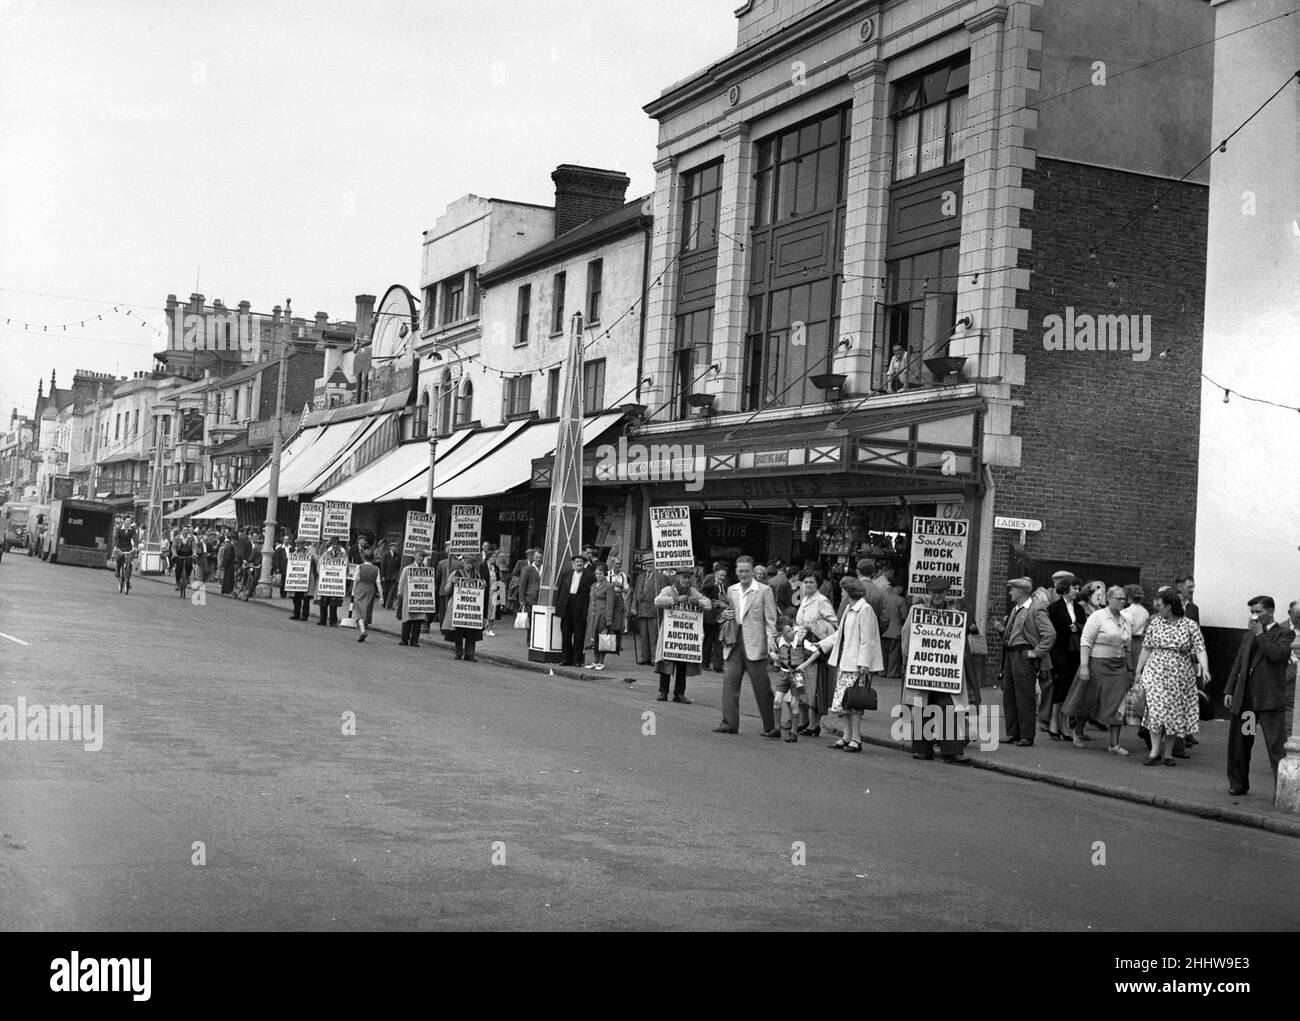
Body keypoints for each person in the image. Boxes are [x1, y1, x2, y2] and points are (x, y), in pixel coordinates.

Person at [1224, 596, 1295, 795]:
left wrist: (1260, 635)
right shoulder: (1248, 636)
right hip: (1248, 701)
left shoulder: (1285, 633)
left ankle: (1282, 790)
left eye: (1258, 611)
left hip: (1268, 700)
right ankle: (1238, 783)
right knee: (1243, 742)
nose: (1254, 616)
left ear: (1270, 611)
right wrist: (1230, 689)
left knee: (1275, 745)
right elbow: (1239, 663)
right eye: (1252, 612)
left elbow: (1276, 654)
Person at [1134, 587, 1209, 767]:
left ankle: (1168, 754)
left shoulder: (1190, 625)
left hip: (1179, 675)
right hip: (1155, 671)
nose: (1157, 608)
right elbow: (1146, 647)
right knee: (1155, 710)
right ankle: (1154, 751)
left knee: (1174, 714)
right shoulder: (1155, 623)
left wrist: (1205, 668)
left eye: (1160, 605)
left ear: (1170, 606)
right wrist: (1138, 671)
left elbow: (1200, 648)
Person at [900, 576, 970, 763]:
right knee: (921, 706)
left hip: (945, 671)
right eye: (933, 592)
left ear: (947, 593)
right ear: (927, 593)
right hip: (921, 668)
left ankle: (952, 751)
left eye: (941, 592)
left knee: (948, 707)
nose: (937, 596)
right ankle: (923, 749)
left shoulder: (955, 613)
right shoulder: (917, 611)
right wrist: (907, 660)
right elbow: (906, 635)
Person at [819, 575, 884, 753]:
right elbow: (839, 635)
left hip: (856, 664)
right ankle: (846, 736)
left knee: (854, 703)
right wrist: (822, 645)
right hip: (844, 661)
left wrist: (864, 664)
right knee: (844, 703)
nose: (841, 593)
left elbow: (867, 639)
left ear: (849, 591)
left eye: (842, 590)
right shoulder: (850, 609)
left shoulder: (865, 610)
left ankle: (856, 739)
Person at [716, 555, 779, 736]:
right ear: (736, 572)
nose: (743, 574)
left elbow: (770, 619)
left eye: (746, 571)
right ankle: (728, 723)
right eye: (740, 571)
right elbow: (726, 615)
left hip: (756, 642)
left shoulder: (764, 590)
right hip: (734, 641)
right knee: (729, 682)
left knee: (762, 687)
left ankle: (771, 726)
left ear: (753, 572)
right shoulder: (731, 590)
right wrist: (725, 615)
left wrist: (771, 641)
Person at [1064, 585, 1132, 753]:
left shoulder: (1126, 619)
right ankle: (1078, 731)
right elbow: (1086, 640)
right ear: (1108, 599)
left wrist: (1130, 669)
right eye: (1118, 598)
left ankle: (1114, 744)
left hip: (1118, 665)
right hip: (1098, 663)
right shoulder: (1098, 616)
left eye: (1124, 599)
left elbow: (1128, 647)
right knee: (1089, 699)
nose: (1122, 602)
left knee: (1118, 703)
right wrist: (1085, 666)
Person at [999, 576, 1056, 747]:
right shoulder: (1017, 609)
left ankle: (1027, 735)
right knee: (1009, 694)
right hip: (1010, 654)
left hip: (1023, 655)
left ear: (1021, 591)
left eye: (1012, 590)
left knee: (1024, 696)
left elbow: (1050, 634)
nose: (1010, 593)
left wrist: (1036, 652)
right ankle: (1013, 732)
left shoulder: (1035, 609)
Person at [653, 566, 711, 702]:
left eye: (688, 577)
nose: (686, 580)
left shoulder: (693, 592)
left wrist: (697, 601)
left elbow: (708, 604)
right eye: (684, 577)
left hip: (684, 635)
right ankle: (663, 691)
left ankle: (679, 693)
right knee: (666, 663)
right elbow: (657, 601)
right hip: (669, 633)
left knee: (682, 664)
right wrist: (677, 600)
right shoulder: (669, 590)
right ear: (678, 577)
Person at [794, 571, 839, 736]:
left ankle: (814, 725)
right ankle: (804, 721)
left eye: (811, 582)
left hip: (816, 649)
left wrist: (815, 627)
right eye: (805, 582)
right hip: (801, 647)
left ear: (817, 584)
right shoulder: (804, 599)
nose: (807, 585)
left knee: (815, 688)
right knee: (801, 686)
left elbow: (834, 626)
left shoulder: (822, 601)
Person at [1044, 576, 1084, 740]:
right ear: (1066, 588)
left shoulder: (1079, 609)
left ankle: (1063, 723)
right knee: (1059, 686)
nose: (1077, 591)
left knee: (1069, 688)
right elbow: (1049, 631)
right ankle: (1054, 722)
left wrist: (1077, 628)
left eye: (1077, 587)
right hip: (1058, 652)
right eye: (1074, 587)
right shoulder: (1053, 608)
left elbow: (1085, 629)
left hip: (1074, 653)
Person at [773, 609, 821, 742]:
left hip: (798, 675)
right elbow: (775, 654)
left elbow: (816, 652)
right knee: (777, 700)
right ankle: (776, 729)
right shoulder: (778, 641)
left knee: (795, 703)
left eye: (792, 629)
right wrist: (774, 657)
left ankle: (793, 733)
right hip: (784, 673)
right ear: (782, 633)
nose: (792, 632)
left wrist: (804, 665)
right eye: (788, 631)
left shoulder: (801, 641)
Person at [442, 551, 490, 661]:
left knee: (472, 632)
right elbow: (446, 590)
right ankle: (458, 652)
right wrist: (451, 583)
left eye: (470, 563)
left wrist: (483, 585)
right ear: (463, 563)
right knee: (458, 631)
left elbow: (481, 591)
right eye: (467, 563)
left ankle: (470, 654)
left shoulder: (477, 575)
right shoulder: (455, 574)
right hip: (458, 607)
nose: (469, 565)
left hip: (472, 609)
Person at [555, 553, 594, 667]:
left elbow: (591, 595)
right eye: (577, 562)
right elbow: (560, 591)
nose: (579, 563)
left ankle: (577, 659)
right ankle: (565, 659)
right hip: (567, 606)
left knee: (579, 635)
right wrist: (558, 607)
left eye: (581, 562)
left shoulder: (589, 576)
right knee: (566, 634)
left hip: (581, 607)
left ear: (584, 564)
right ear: (573, 563)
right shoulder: (566, 574)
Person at [583, 562, 618, 670]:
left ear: (605, 574)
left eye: (601, 573)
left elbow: (610, 603)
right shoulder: (593, 585)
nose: (598, 575)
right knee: (593, 637)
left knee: (602, 637)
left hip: (602, 615)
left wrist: (608, 618)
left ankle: (601, 662)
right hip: (593, 614)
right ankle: (595, 661)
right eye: (597, 573)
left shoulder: (608, 586)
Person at [632, 564, 669, 666]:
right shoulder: (641, 577)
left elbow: (665, 592)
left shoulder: (660, 577)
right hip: (642, 609)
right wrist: (633, 607)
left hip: (654, 609)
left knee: (653, 635)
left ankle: (654, 658)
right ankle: (645, 657)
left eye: (650, 563)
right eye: (646, 563)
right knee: (643, 635)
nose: (648, 566)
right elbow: (635, 593)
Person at [396, 549, 430, 647]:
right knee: (407, 620)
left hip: (421, 599)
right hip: (408, 597)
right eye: (419, 556)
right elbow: (401, 583)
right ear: (415, 556)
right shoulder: (407, 569)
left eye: (422, 557)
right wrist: (400, 595)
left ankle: (414, 640)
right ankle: (404, 639)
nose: (421, 558)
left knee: (418, 621)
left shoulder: (426, 570)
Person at [879, 579, 908, 680]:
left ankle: (882, 671)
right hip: (896, 631)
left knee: (884, 653)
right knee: (894, 654)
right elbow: (904, 616)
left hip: (883, 630)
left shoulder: (883, 598)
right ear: (899, 587)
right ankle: (891, 672)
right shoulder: (900, 600)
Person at [352, 551, 382, 643]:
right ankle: (364, 627)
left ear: (363, 558)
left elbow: (355, 580)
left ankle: (362, 630)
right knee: (367, 608)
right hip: (370, 589)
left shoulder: (359, 567)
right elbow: (378, 583)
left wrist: (353, 591)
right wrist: (381, 596)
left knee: (358, 609)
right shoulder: (376, 568)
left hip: (361, 588)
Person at [701, 567, 726, 672]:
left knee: (719, 642)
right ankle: (705, 664)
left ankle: (718, 665)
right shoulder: (710, 583)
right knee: (708, 641)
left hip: (720, 617)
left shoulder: (724, 586)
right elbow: (702, 590)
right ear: (715, 574)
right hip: (709, 617)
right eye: (721, 575)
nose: (723, 577)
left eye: (724, 576)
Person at [317, 536, 346, 627]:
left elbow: (347, 567)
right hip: (326, 582)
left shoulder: (343, 555)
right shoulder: (325, 554)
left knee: (334, 603)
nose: (335, 546)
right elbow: (319, 566)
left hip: (335, 582)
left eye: (337, 544)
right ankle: (323, 619)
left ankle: (333, 621)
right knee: (324, 601)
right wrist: (322, 574)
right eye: (333, 544)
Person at [1122, 584, 1150, 675]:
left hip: (1129, 642)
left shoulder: (1126, 611)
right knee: (1137, 668)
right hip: (1139, 643)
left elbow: (1131, 631)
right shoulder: (1145, 611)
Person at [289, 538, 315, 621]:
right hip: (297, 579)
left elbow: (317, 561)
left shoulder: (310, 552)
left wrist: (312, 556)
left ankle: (304, 615)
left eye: (299, 544)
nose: (297, 546)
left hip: (307, 579)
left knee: (306, 598)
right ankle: (296, 614)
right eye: (296, 544)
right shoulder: (294, 553)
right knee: (296, 598)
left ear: (304, 544)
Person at [112, 520, 137, 594]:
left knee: (129, 564)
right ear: (124, 522)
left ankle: (127, 580)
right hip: (120, 548)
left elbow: (135, 538)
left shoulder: (132, 530)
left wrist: (135, 547)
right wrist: (115, 547)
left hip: (129, 548)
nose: (128, 523)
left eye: (129, 522)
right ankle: (118, 571)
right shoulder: (119, 529)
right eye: (126, 521)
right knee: (119, 559)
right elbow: (115, 538)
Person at [172, 526, 195, 596]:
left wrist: (194, 553)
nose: (186, 531)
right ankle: (177, 583)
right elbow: (173, 547)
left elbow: (194, 547)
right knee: (178, 569)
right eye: (184, 530)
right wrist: (174, 553)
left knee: (189, 565)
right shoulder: (177, 538)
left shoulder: (191, 538)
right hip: (179, 555)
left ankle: (187, 577)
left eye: (187, 530)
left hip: (188, 555)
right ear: (182, 531)